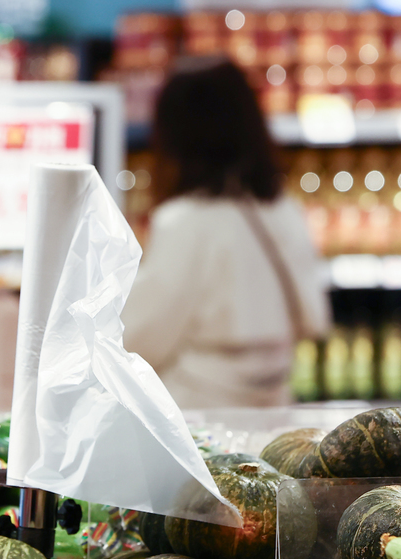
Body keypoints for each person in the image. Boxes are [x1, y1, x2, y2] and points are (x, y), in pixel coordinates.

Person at [122, 59, 330, 408]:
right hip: (277, 398)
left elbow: (141, 337)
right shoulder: (282, 210)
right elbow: (314, 317)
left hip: (198, 411)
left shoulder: (184, 220)